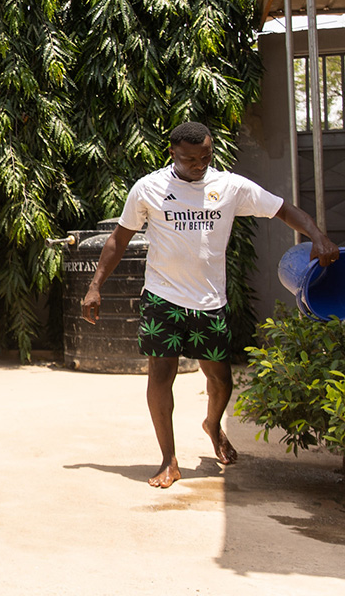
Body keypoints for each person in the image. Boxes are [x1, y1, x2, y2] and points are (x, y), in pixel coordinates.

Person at [82, 121, 339, 489]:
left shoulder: (229, 186)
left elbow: (283, 209)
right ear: (172, 153)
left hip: (209, 301)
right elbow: (118, 240)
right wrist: (95, 286)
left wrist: (317, 236)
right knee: (160, 375)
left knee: (220, 378)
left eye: (206, 156)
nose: (199, 164)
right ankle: (168, 458)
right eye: (190, 159)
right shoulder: (149, 188)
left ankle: (213, 425)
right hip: (162, 297)